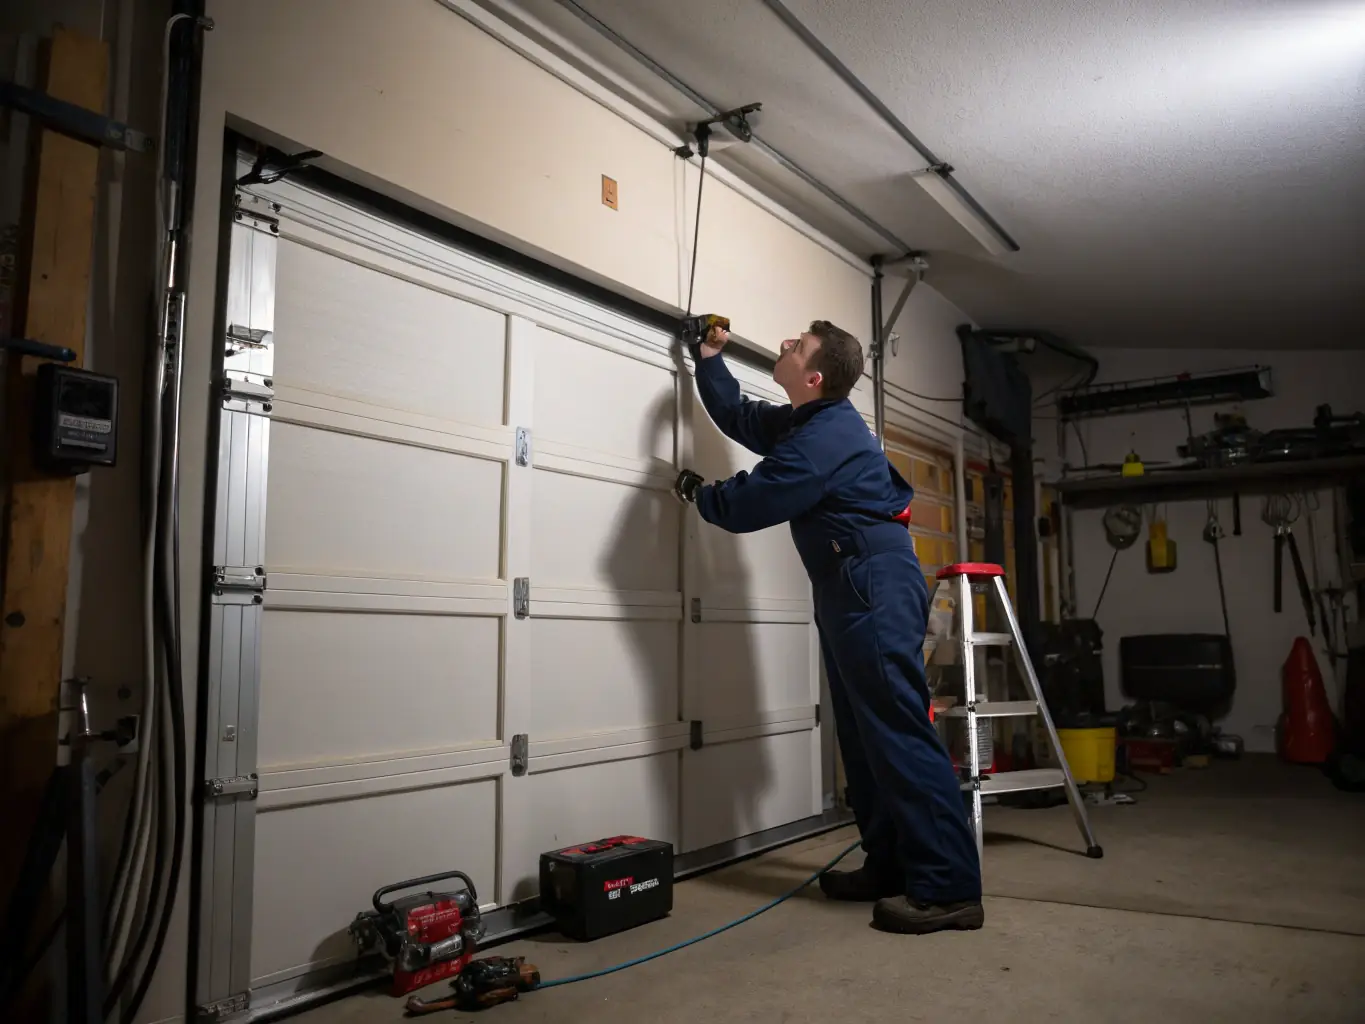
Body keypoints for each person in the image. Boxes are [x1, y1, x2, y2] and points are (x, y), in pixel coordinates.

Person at [674, 320, 983, 934]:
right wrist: (709, 360)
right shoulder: (809, 422)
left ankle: (949, 888)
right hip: (853, 583)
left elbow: (752, 502)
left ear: (813, 376)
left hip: (871, 581)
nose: (784, 346)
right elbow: (742, 417)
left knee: (897, 732)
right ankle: (892, 865)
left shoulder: (824, 438)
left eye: (796, 346)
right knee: (869, 739)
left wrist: (701, 494)